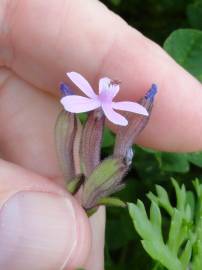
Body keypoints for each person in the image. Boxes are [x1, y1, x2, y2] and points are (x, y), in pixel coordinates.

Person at [0, 1, 202, 269]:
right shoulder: (93, 110)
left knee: (115, 152)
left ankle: (92, 192)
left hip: (94, 179)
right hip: (85, 171)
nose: (108, 89)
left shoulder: (112, 111)